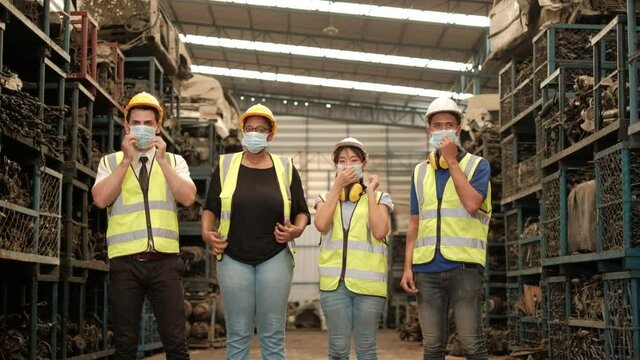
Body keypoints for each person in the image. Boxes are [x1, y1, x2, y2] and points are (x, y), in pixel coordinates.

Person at [200, 103, 310, 360]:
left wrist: (296, 230)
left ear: (271, 134)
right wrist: (206, 233)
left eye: (261, 129)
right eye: (249, 128)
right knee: (238, 332)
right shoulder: (226, 166)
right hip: (232, 256)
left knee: (272, 333)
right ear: (242, 132)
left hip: (275, 256)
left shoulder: (285, 168)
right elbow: (210, 208)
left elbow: (302, 211)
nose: (255, 134)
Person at [92, 91, 196, 360]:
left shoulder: (174, 162)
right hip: (126, 264)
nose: (142, 128)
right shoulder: (110, 162)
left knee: (175, 342)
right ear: (126, 127)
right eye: (136, 123)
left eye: (148, 123)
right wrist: (126, 161)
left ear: (158, 127)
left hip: (165, 263)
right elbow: (101, 199)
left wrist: (162, 161)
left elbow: (187, 198)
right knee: (125, 343)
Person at [399, 97, 492, 360]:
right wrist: (408, 266)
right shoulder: (419, 172)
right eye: (437, 125)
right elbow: (414, 223)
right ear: (428, 129)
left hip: (464, 268)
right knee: (432, 347)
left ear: (458, 129)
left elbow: (473, 204)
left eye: (448, 125)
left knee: (472, 344)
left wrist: (452, 162)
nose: (442, 130)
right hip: (426, 270)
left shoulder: (477, 165)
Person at [314, 137, 394, 360]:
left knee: (366, 351)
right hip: (334, 287)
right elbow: (321, 224)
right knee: (338, 351)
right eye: (342, 160)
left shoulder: (380, 198)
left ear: (364, 163)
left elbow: (380, 231)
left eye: (353, 159)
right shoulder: (324, 198)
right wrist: (336, 187)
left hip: (369, 288)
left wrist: (369, 192)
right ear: (335, 166)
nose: (347, 164)